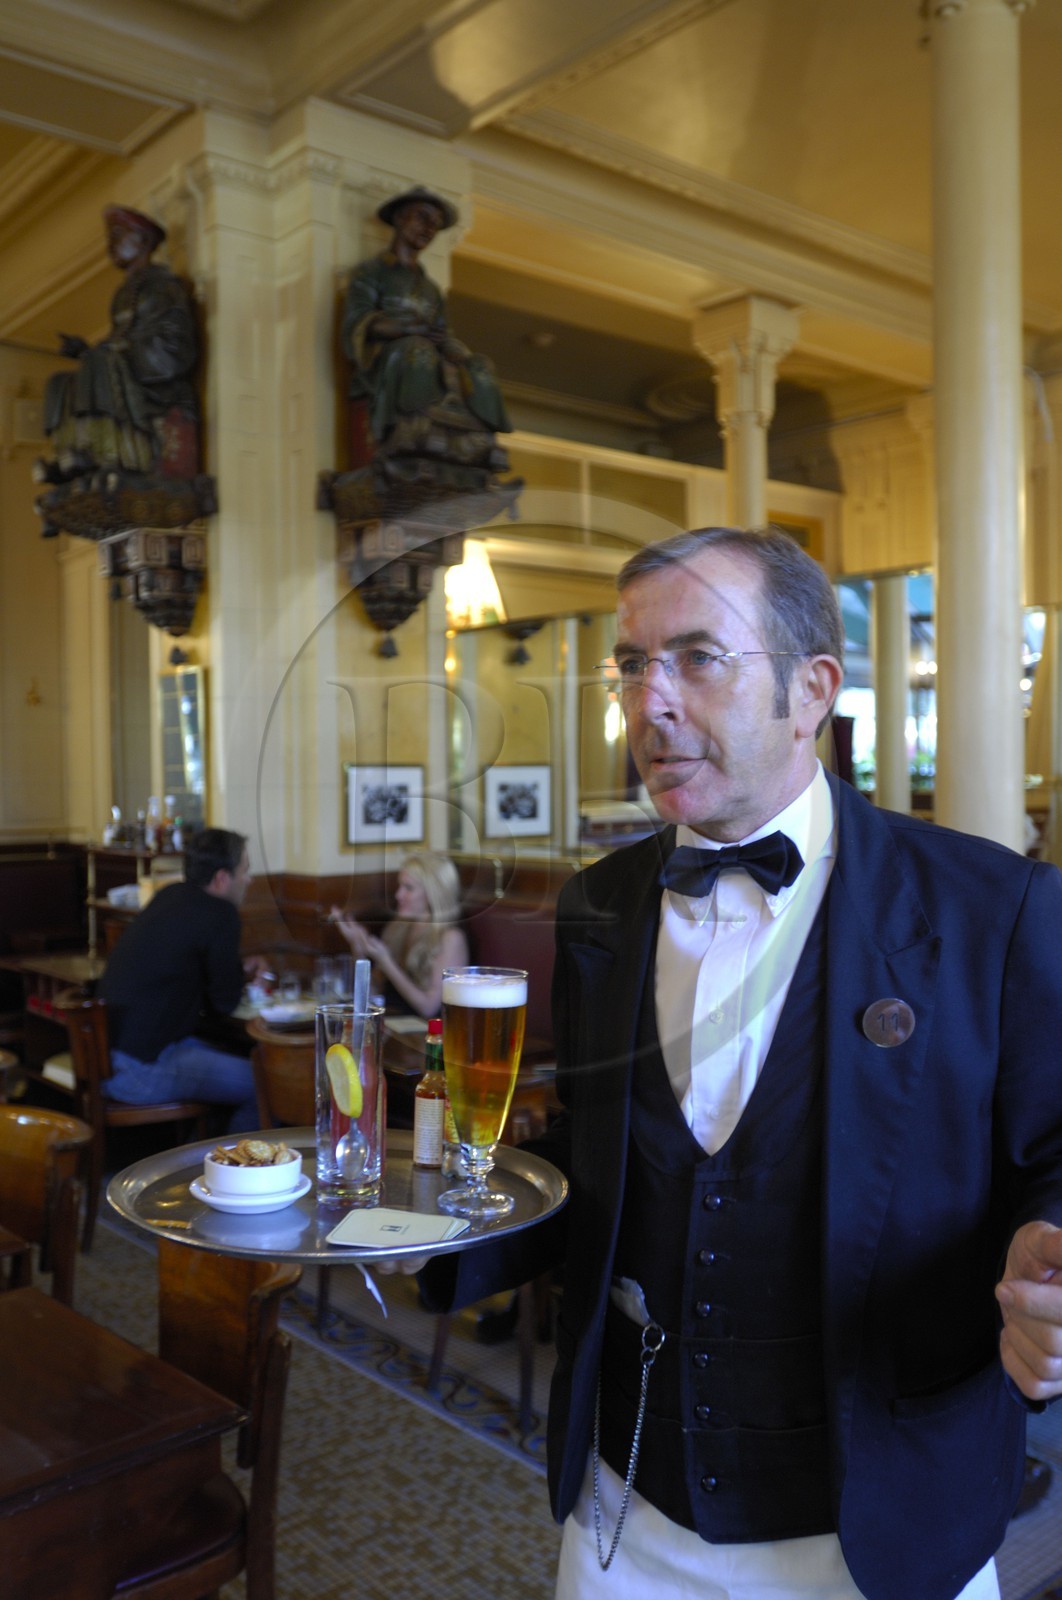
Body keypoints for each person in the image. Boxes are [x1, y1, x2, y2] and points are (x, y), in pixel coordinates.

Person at [423, 525, 1062, 1600]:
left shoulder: (993, 909)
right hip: (628, 1503)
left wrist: (1050, 1243)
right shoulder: (600, 903)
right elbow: (598, 1157)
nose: (650, 700)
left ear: (812, 689)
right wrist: (426, 1228)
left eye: (697, 657)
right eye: (632, 665)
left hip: (882, 1519)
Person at [99, 827, 269, 1132]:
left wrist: (237, 971)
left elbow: (181, 967)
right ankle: (236, 1173)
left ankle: (201, 1159)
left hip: (111, 1058)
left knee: (238, 1061)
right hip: (141, 1070)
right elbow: (225, 1003)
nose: (249, 879)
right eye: (245, 870)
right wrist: (241, 978)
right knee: (267, 1086)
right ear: (221, 878)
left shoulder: (169, 895)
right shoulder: (221, 914)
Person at [341, 185, 511, 461]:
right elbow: (359, 323)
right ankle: (412, 428)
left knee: (479, 365)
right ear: (399, 219)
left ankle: (481, 439)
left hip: (426, 352)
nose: (429, 229)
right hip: (387, 360)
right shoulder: (372, 274)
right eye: (422, 218)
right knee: (417, 350)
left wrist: (456, 350)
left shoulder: (431, 288)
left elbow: (443, 332)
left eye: (435, 224)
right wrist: (407, 329)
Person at [37, 204, 199, 484]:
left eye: (119, 236)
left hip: (159, 364)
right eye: (110, 237)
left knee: (99, 361)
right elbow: (119, 338)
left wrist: (113, 350)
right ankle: (71, 454)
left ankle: (113, 454)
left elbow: (174, 341)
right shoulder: (123, 293)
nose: (111, 244)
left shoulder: (163, 285)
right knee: (60, 381)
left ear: (144, 242)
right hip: (128, 363)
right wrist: (86, 349)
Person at [330, 850, 468, 1020]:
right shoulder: (397, 928)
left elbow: (428, 1008)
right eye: (400, 886)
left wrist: (386, 961)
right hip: (392, 1025)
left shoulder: (451, 939)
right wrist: (357, 946)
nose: (398, 895)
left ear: (433, 893)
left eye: (408, 888)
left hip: (426, 1037)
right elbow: (373, 994)